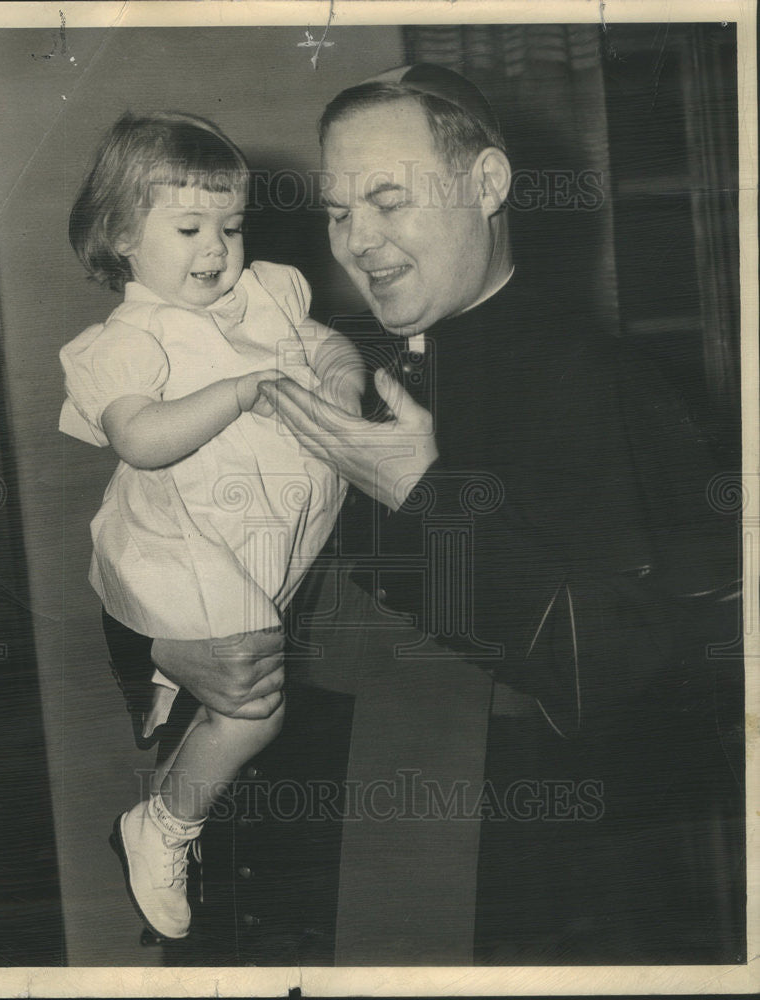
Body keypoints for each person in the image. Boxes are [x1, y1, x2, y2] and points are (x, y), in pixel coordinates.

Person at [256, 64, 741, 963]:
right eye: (336, 211)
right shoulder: (336, 367)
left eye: (388, 199)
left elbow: (639, 685)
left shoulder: (600, 382)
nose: (358, 240)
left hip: (521, 888)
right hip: (325, 848)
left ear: (486, 185)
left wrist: (422, 499)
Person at [58, 111, 361, 941]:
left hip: (269, 543)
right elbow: (138, 438)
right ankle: (162, 827)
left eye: (229, 225)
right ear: (121, 234)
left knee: (244, 692)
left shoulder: (264, 291)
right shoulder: (126, 340)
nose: (216, 247)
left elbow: (324, 342)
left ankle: (172, 742)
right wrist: (235, 392)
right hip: (184, 538)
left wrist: (337, 379)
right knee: (257, 707)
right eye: (188, 227)